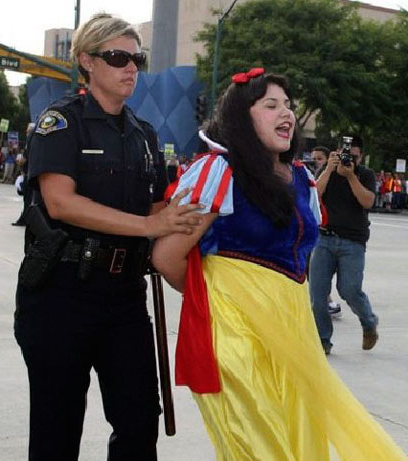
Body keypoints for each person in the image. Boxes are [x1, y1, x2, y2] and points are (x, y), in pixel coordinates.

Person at [152, 69, 407, 461]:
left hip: (294, 332)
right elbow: (167, 257)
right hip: (236, 337)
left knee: (300, 445)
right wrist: (222, 297)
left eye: (288, 105)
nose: (285, 113)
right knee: (260, 447)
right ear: (242, 116)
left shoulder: (303, 178)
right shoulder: (219, 172)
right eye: (270, 105)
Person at [14, 13, 203, 461]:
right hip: (61, 295)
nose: (131, 67)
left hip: (124, 297)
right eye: (118, 56)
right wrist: (148, 226)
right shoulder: (61, 122)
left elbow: (155, 208)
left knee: (140, 424)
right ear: (87, 61)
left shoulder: (144, 133)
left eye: (136, 57)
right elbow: (60, 202)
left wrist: (202, 205)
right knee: (56, 431)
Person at [309, 138, 379, 355]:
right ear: (337, 152)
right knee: (317, 293)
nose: (350, 159)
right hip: (324, 239)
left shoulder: (365, 174)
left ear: (361, 157)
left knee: (349, 290)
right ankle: (323, 339)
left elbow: (367, 201)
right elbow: (314, 195)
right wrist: (329, 169)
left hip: (353, 241)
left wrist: (350, 176)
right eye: (347, 154)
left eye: (355, 156)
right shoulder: (326, 171)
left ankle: (368, 322)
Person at [311, 145, 342, 317]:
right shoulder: (313, 174)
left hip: (327, 231)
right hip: (313, 228)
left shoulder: (335, 174)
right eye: (314, 158)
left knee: (321, 271)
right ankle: (322, 301)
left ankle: (327, 301)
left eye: (319, 158)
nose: (316, 162)